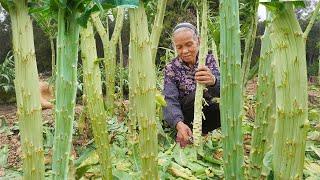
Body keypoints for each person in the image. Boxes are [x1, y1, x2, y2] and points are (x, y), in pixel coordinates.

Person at [163, 22, 221, 147]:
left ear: (198, 41)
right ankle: (184, 131)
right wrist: (179, 124)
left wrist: (213, 81)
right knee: (195, 97)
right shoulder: (171, 68)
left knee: (221, 109)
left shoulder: (208, 60)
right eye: (179, 47)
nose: (185, 51)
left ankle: (203, 132)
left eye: (189, 44)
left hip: (205, 111)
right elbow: (169, 100)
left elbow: (223, 90)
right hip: (184, 115)